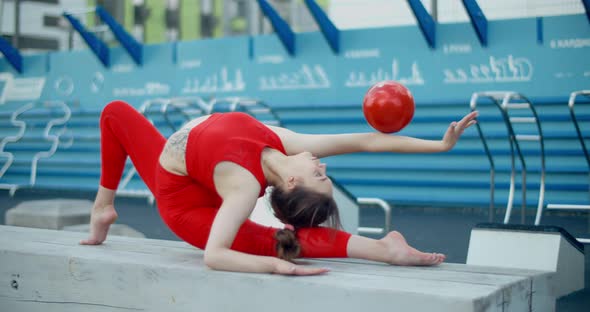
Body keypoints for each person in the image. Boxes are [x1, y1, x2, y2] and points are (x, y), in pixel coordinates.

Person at [82, 100, 478, 276]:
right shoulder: (284, 145)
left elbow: (215, 255)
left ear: (291, 182)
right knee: (115, 112)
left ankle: (383, 250)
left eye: (320, 176)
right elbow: (367, 140)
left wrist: (277, 265)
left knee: (280, 243)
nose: (323, 166)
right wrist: (440, 145)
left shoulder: (243, 183)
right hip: (180, 182)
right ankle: (103, 208)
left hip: (186, 209)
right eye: (324, 173)